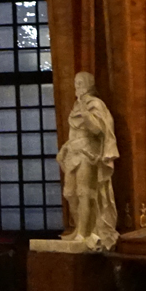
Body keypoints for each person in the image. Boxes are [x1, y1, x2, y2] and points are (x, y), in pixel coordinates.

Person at [58, 71, 119, 250]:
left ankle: (83, 233)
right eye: (75, 83)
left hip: (87, 153)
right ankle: (79, 227)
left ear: (88, 84)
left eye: (80, 83)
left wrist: (86, 114)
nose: (76, 87)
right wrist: (65, 148)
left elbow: (98, 130)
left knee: (85, 193)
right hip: (73, 152)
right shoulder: (76, 105)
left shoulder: (95, 104)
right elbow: (73, 133)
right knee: (70, 193)